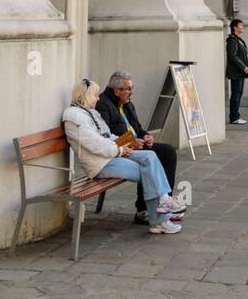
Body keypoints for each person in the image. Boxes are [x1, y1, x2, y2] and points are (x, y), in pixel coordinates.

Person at [62, 80, 185, 234]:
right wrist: (120, 150)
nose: (98, 98)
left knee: (150, 156)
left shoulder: (89, 112)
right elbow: (95, 144)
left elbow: (106, 135)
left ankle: (163, 202)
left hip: (110, 157)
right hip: (100, 165)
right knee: (148, 170)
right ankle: (160, 219)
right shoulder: (73, 117)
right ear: (86, 95)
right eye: (95, 95)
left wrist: (128, 144)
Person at [94, 71, 179, 223]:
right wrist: (130, 142)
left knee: (167, 152)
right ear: (117, 91)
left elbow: (138, 129)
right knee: (149, 159)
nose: (132, 92)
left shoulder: (127, 104)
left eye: (132, 88)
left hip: (137, 146)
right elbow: (105, 136)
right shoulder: (103, 105)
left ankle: (163, 203)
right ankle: (144, 209)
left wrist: (146, 136)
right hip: (121, 150)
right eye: (129, 89)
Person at [226, 19, 248, 125]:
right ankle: (234, 117)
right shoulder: (232, 40)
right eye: (240, 25)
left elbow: (241, 54)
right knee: (236, 94)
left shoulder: (239, 40)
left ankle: (236, 115)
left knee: (238, 93)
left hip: (240, 71)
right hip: (236, 72)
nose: (242, 27)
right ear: (235, 27)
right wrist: (243, 67)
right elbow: (232, 56)